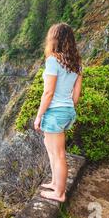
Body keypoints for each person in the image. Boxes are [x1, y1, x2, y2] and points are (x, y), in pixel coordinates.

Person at [34, 23, 83, 203]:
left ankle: (59, 193)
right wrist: (67, 107)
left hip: (54, 112)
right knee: (52, 149)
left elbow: (48, 93)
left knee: (59, 153)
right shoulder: (76, 63)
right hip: (68, 110)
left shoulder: (53, 60)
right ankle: (55, 183)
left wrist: (39, 116)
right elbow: (76, 95)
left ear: (54, 39)